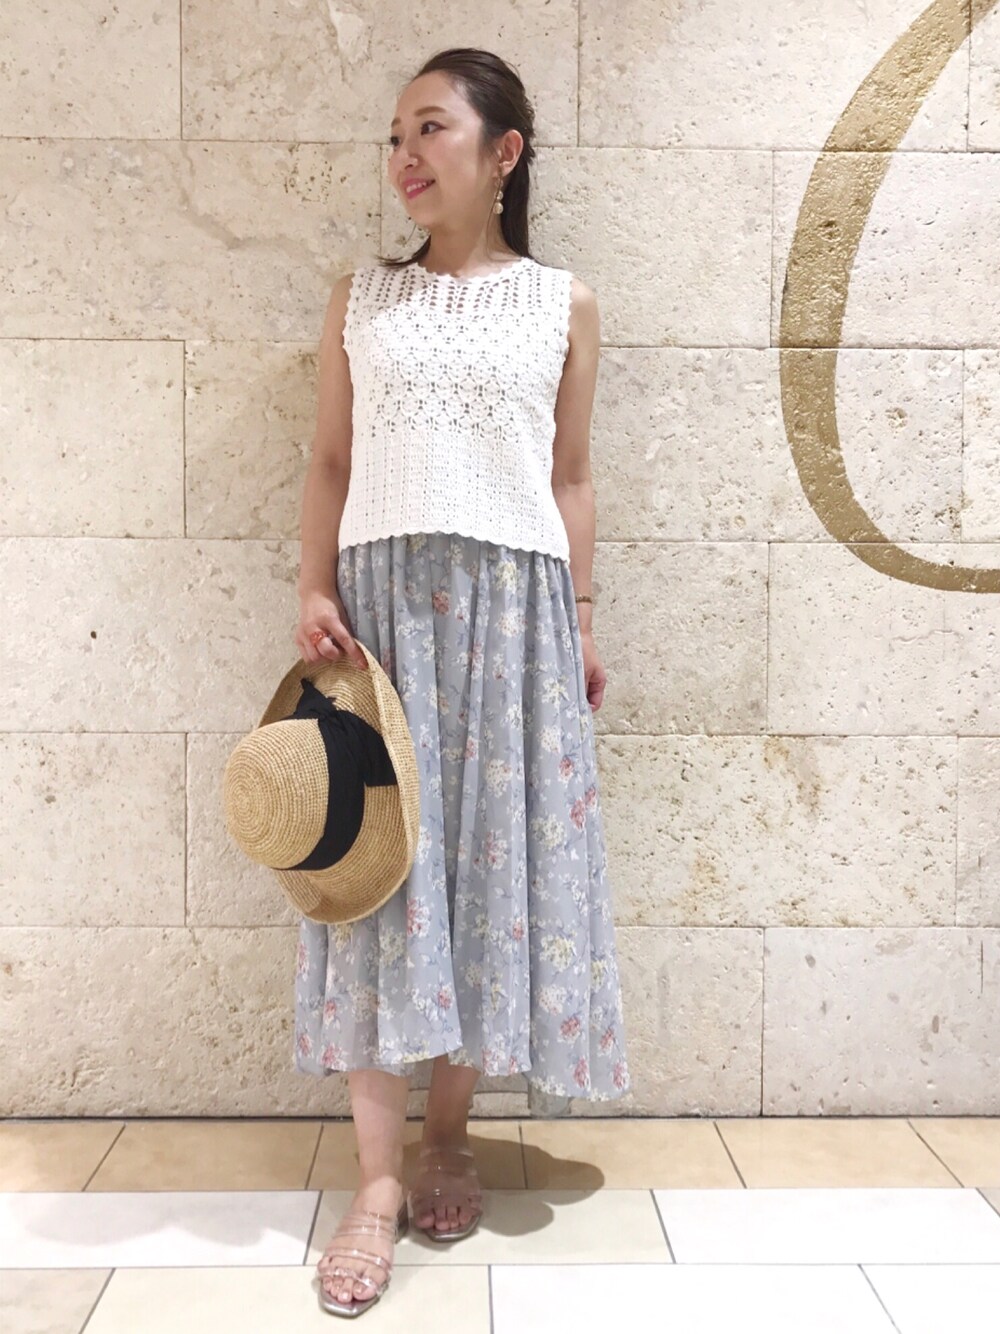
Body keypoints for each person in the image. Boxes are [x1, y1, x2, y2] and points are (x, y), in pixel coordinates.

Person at [293, 46, 631, 1317]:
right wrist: (312, 585)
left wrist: (580, 618)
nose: (405, 154)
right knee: (374, 872)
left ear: (504, 152)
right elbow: (331, 458)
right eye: (396, 134)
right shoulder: (362, 300)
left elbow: (571, 475)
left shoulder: (562, 303)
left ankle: (448, 1134)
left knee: (483, 872)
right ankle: (375, 1180)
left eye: (430, 127)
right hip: (382, 623)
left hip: (514, 618)